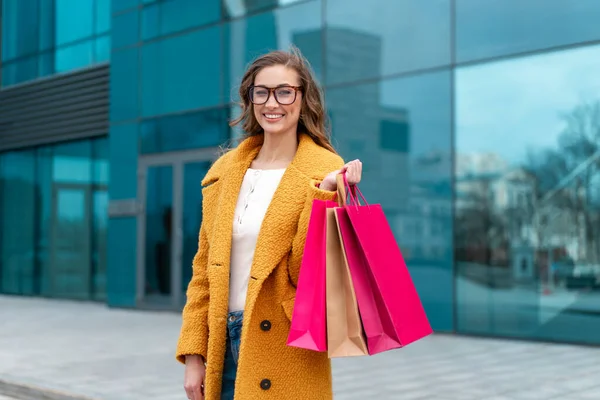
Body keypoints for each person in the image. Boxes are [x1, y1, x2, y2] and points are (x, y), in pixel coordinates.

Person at [176, 46, 363, 400]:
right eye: (260, 92)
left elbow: (309, 273)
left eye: (284, 91)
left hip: (286, 346)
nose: (271, 103)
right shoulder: (224, 172)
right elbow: (203, 272)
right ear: (249, 99)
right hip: (223, 344)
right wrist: (192, 354)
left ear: (303, 98)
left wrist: (325, 193)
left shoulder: (325, 169)